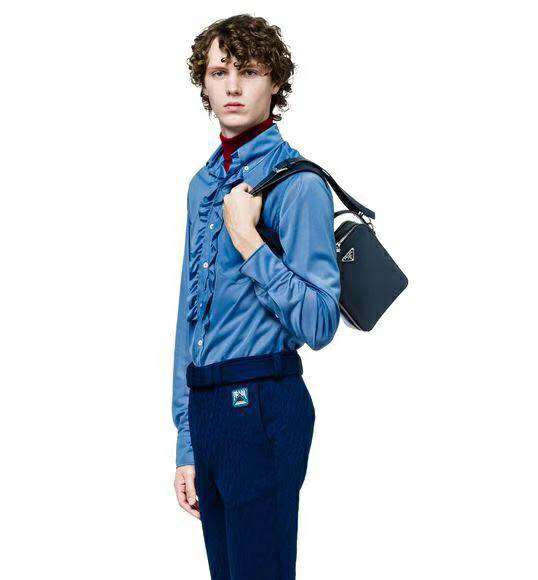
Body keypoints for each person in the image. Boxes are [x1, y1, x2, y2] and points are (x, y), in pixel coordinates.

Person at [172, 14, 341, 579]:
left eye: (248, 71)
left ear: (275, 82)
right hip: (208, 408)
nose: (233, 86)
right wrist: (187, 441)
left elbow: (320, 321)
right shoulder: (202, 186)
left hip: (263, 403)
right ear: (203, 83)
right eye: (219, 72)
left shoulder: (298, 184)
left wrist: (248, 239)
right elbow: (189, 317)